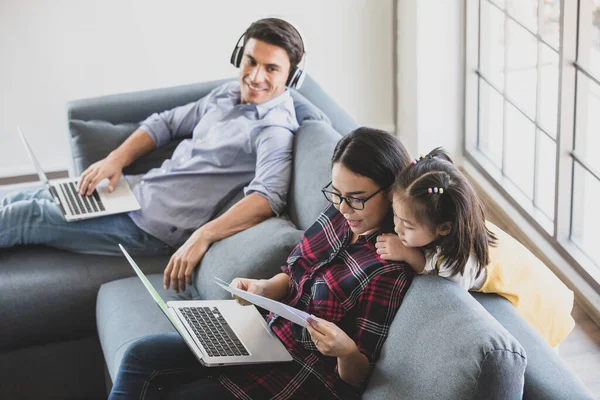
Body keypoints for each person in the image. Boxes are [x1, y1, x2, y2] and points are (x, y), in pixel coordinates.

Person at [0, 18, 305, 293]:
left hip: (151, 228)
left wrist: (202, 236)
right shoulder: (226, 94)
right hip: (131, 191)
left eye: (271, 68)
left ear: (290, 77)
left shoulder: (274, 130)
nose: (255, 76)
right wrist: (115, 160)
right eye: (250, 61)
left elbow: (267, 198)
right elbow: (166, 122)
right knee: (16, 198)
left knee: (27, 215)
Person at [108, 127, 414, 400]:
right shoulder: (338, 215)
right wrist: (262, 288)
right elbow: (295, 273)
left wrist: (345, 350)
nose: (344, 208)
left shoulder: (388, 268)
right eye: (337, 193)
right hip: (261, 339)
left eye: (356, 198)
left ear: (390, 194)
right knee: (141, 355)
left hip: (299, 377)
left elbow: (358, 375)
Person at [375, 147, 575, 347]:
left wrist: (408, 255)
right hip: (527, 273)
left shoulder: (460, 264)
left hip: (539, 305)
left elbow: (442, 287)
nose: (397, 228)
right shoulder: (458, 220)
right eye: (396, 215)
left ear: (444, 228)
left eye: (408, 225)